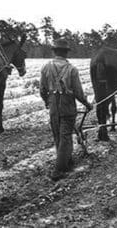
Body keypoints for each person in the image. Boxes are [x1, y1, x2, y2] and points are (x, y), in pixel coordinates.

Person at [40, 37, 93, 181]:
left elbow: (42, 90)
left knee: (58, 135)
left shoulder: (46, 67)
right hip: (67, 105)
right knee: (65, 137)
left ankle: (67, 161)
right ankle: (58, 169)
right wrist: (87, 105)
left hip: (53, 106)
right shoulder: (71, 69)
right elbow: (78, 93)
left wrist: (47, 102)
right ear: (66, 53)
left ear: (55, 51)